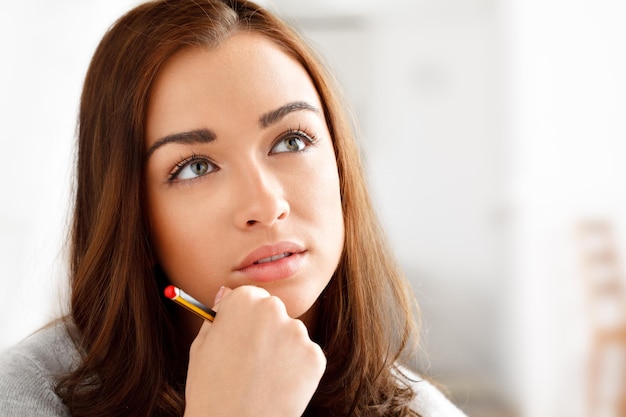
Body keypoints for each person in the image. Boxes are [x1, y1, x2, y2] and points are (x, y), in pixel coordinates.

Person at [0, 1, 467, 416]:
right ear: (132, 220)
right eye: (195, 167)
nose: (266, 205)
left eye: (291, 140)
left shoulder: (416, 408)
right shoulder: (25, 396)